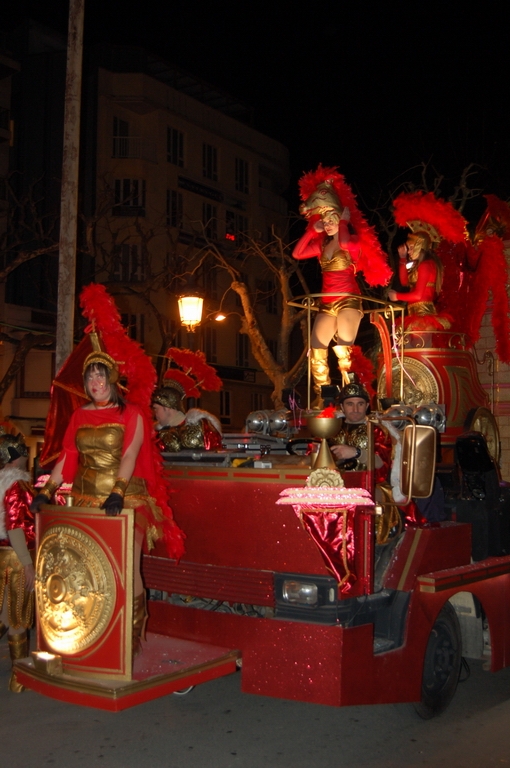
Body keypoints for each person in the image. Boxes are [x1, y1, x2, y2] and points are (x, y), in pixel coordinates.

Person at [31, 350, 177, 655]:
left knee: (125, 567)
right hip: (84, 497)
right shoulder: (79, 415)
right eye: (90, 376)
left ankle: (131, 636)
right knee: (86, 568)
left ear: (111, 379)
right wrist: (48, 489)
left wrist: (117, 493)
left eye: (100, 374)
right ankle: (92, 631)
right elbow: (69, 454)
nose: (95, 381)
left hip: (125, 500)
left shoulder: (132, 413)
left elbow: (129, 455)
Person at [294, 166, 391, 407]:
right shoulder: (322, 246)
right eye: (324, 220)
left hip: (348, 299)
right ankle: (323, 395)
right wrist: (310, 231)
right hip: (327, 302)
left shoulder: (353, 242)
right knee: (317, 349)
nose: (327, 224)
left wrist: (346, 223)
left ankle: (351, 395)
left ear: (341, 217)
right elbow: (297, 253)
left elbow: (346, 242)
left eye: (332, 219)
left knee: (343, 348)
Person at [0, 432, 35, 692]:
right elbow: (15, 527)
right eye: (22, 449)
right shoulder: (18, 484)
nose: (26, 453)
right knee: (17, 617)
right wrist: (27, 563)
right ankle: (19, 678)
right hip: (13, 557)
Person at [329, 381, 392, 485]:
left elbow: (382, 466)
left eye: (360, 404)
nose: (355, 409)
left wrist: (357, 453)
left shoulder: (377, 431)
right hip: (332, 486)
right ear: (342, 406)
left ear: (367, 406)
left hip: (368, 486)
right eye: (350, 404)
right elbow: (313, 456)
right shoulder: (331, 429)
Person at [387, 229, 451, 330]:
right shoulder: (419, 265)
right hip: (415, 312)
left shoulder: (426, 265)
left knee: (417, 344)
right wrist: (403, 258)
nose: (409, 251)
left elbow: (418, 295)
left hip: (423, 314)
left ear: (420, 247)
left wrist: (397, 296)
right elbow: (404, 282)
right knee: (411, 344)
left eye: (411, 248)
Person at [153, 382, 222, 453]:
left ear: (167, 407)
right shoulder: (158, 434)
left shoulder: (201, 426)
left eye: (156, 409)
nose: (154, 413)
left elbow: (214, 455)